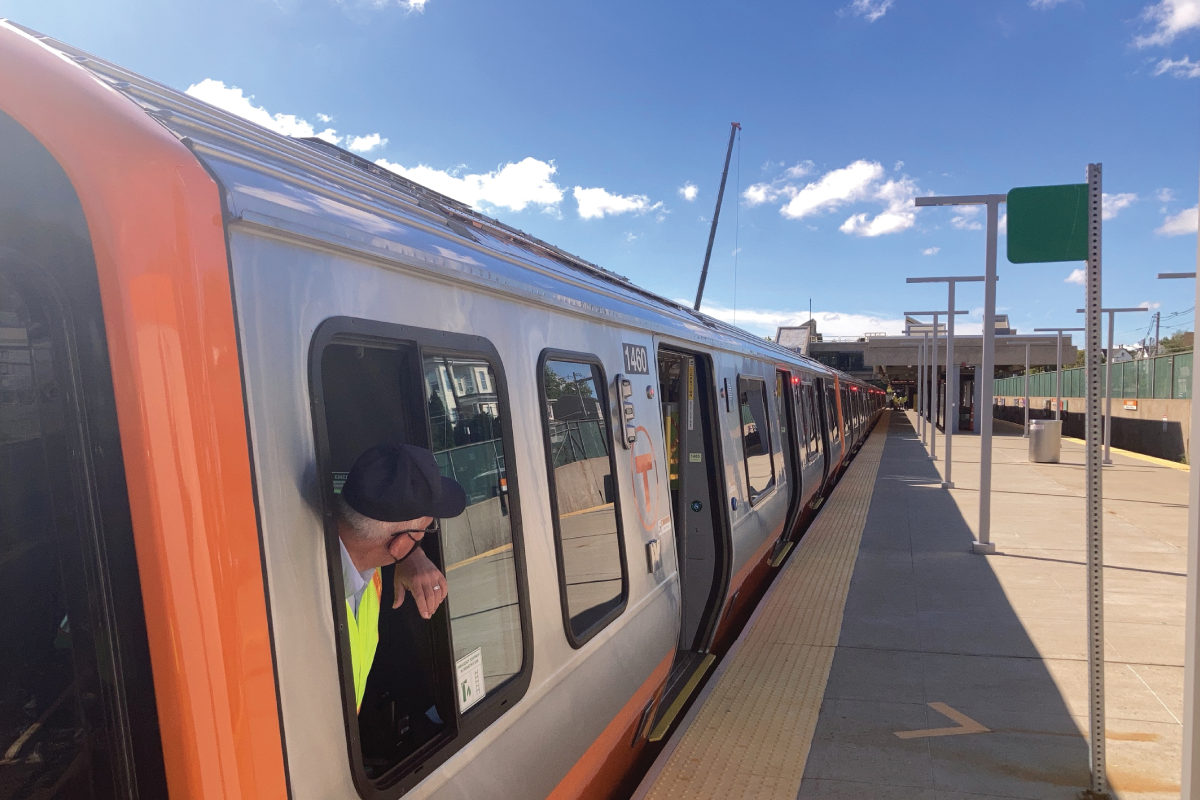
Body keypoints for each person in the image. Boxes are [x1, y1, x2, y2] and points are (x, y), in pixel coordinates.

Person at [337, 443, 467, 712]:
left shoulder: (366, 571)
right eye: (425, 529)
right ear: (397, 543)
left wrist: (411, 555)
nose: (424, 537)